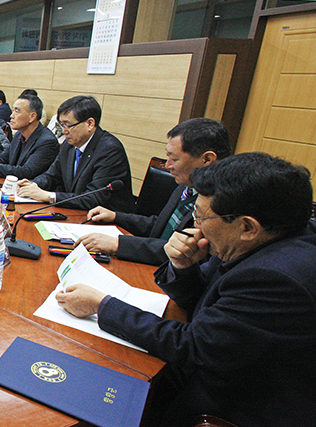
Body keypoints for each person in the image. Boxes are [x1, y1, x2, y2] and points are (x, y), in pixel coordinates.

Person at [56, 152, 316, 427]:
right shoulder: (261, 236)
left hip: (236, 403)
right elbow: (204, 301)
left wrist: (101, 306)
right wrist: (183, 267)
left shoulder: (275, 278)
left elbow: (193, 346)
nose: (196, 228)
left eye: (202, 218)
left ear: (248, 227)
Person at [78, 118, 231, 265]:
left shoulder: (220, 204)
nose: (167, 165)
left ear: (207, 159)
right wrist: (116, 216)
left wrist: (119, 244)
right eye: (168, 157)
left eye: (175, 159)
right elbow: (160, 226)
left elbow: (186, 251)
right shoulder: (187, 185)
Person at [18, 95, 135, 212]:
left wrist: (49, 196)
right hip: (77, 212)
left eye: (68, 125)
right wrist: (32, 185)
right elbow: (52, 176)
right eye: (61, 125)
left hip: (109, 222)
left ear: (90, 123)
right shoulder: (69, 144)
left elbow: (93, 198)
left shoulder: (110, 150)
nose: (64, 131)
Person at [0, 94, 58, 179]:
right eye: (13, 111)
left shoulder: (47, 141)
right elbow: (2, 158)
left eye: (17, 111)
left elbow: (27, 172)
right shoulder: (19, 134)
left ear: (32, 116)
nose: (11, 116)